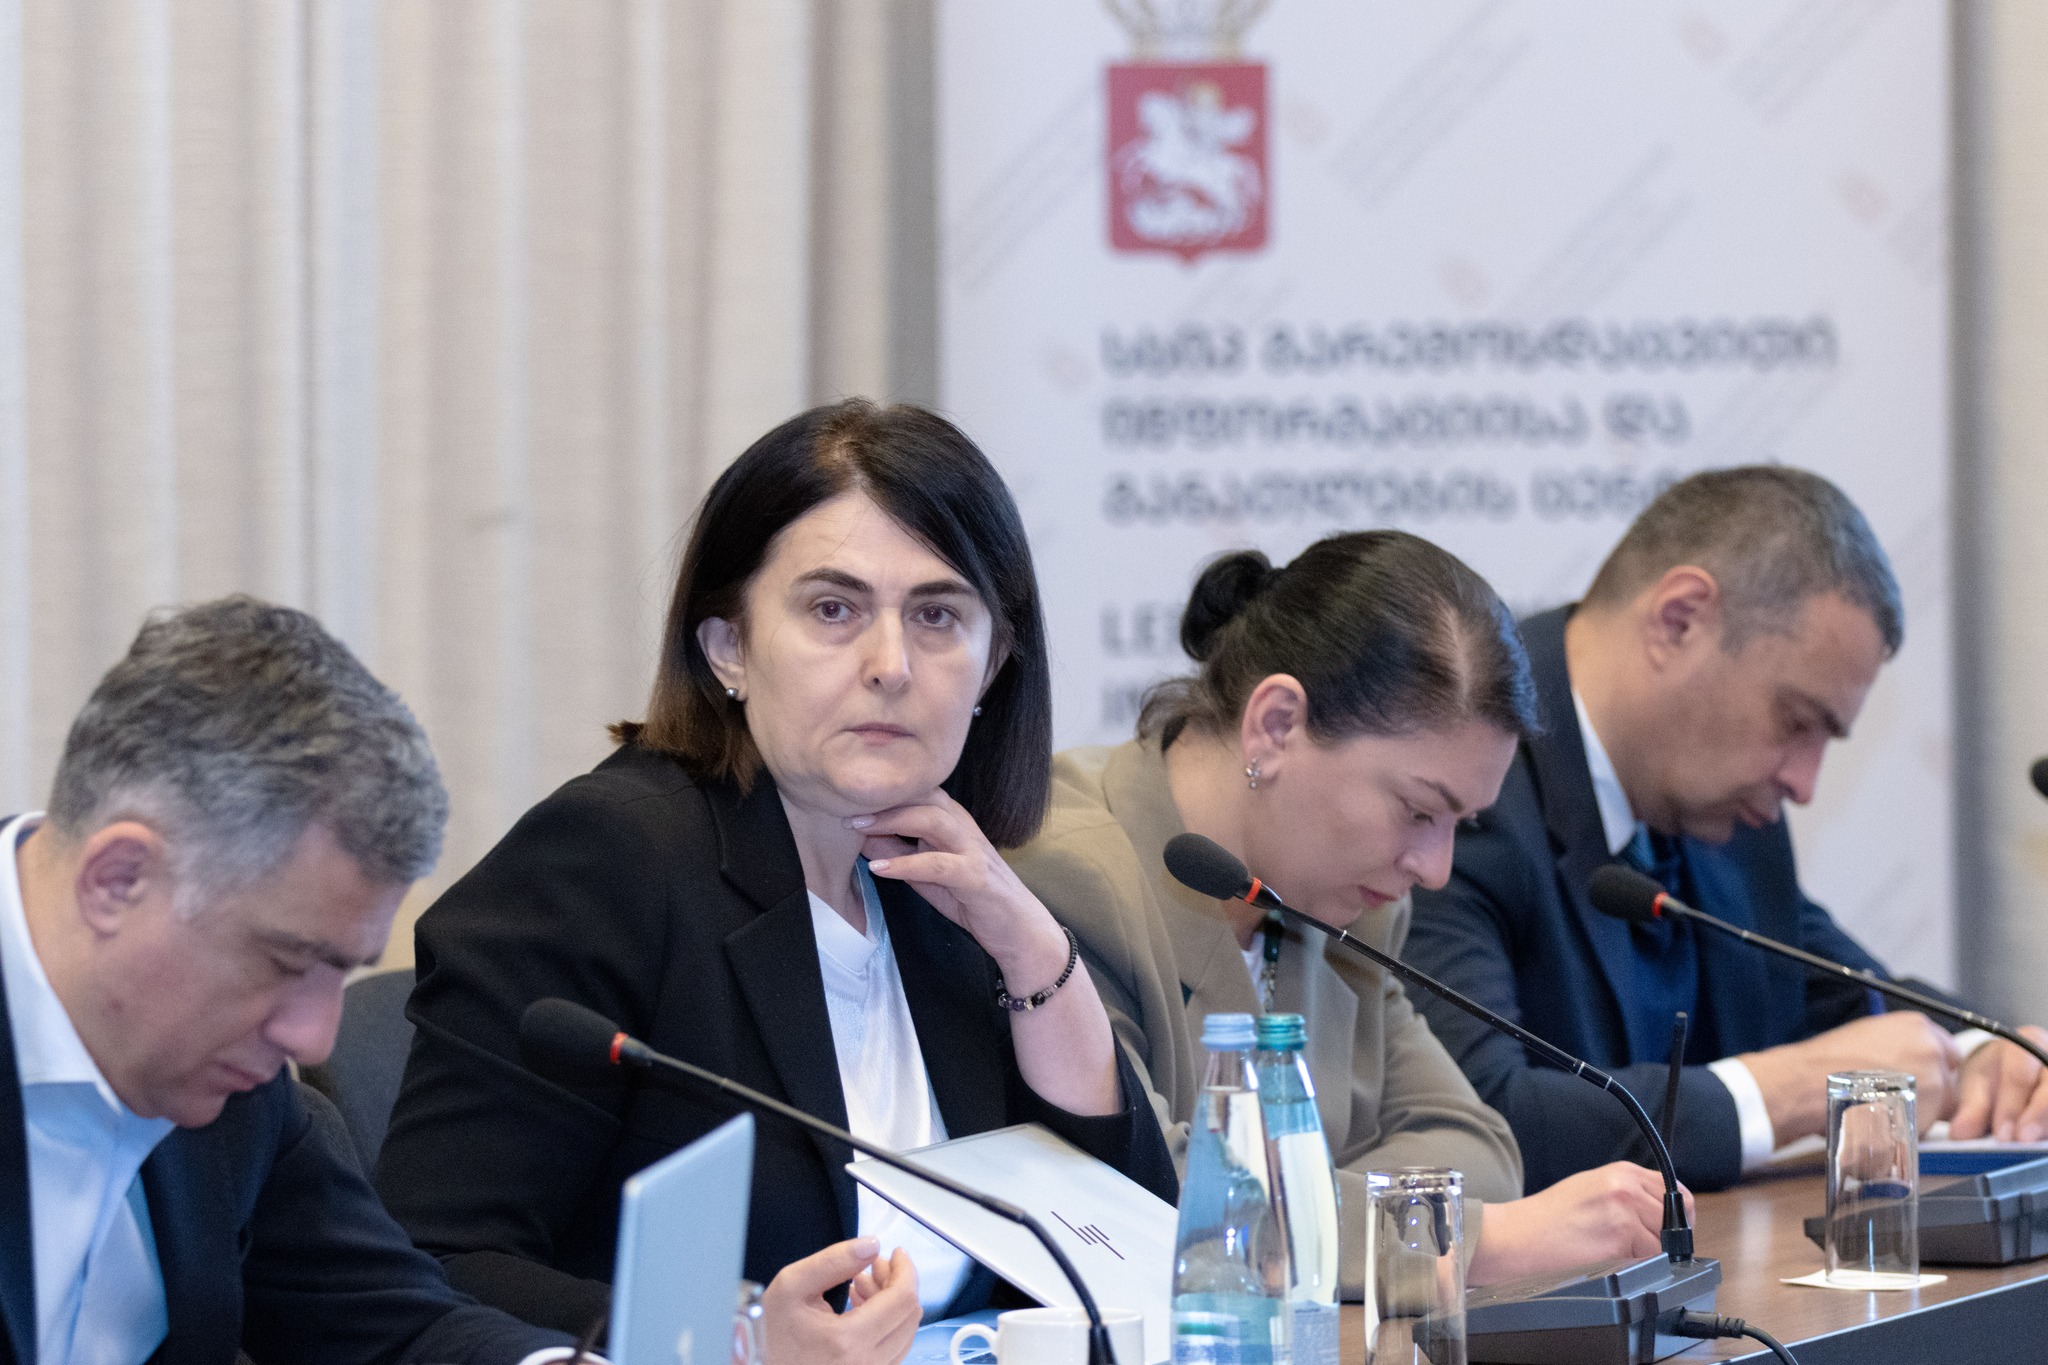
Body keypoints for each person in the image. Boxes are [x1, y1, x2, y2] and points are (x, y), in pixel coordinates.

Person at [376, 400, 1177, 1345]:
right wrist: (734, 1343)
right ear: (729, 648)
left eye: (937, 615)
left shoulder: (949, 887)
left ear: (994, 662)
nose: (891, 664)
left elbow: (1119, 1262)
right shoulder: (609, 862)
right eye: (834, 609)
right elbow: (430, 1261)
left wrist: (1035, 950)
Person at [1007, 531, 1684, 1296]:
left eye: (1459, 824)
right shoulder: (1067, 873)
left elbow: (1480, 1148)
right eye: (1419, 810)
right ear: (1276, 725)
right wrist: (1479, 1241)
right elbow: (1141, 1197)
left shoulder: (1343, 904)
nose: (1435, 869)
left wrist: (1298, 1214)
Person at [1406, 466, 2048, 1194]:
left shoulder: (1720, 801)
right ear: (1680, 620)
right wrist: (1792, 1089)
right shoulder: (1463, 784)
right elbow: (1480, 1122)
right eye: (1796, 721)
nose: (1803, 783)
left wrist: (1987, 1053)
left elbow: (1840, 990)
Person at [0, 596, 581, 1365]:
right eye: (285, 961)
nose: (312, 1037)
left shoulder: (237, 1089)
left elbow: (396, 1327)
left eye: (340, 971)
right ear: (117, 879)